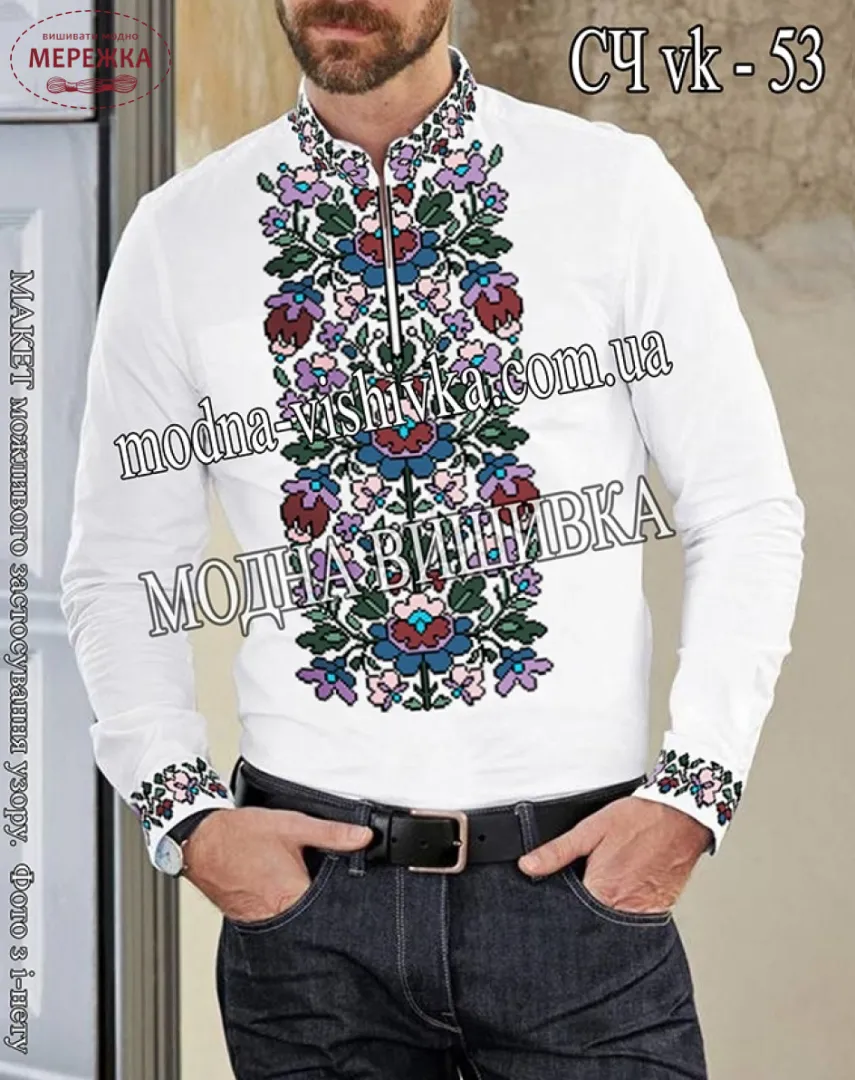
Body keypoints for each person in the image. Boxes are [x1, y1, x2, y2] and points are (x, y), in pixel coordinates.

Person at [60, 1, 804, 1077]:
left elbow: (743, 505)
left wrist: (695, 793)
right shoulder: (180, 235)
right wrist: (188, 817)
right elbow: (119, 567)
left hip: (577, 899)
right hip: (308, 928)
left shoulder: (612, 189)